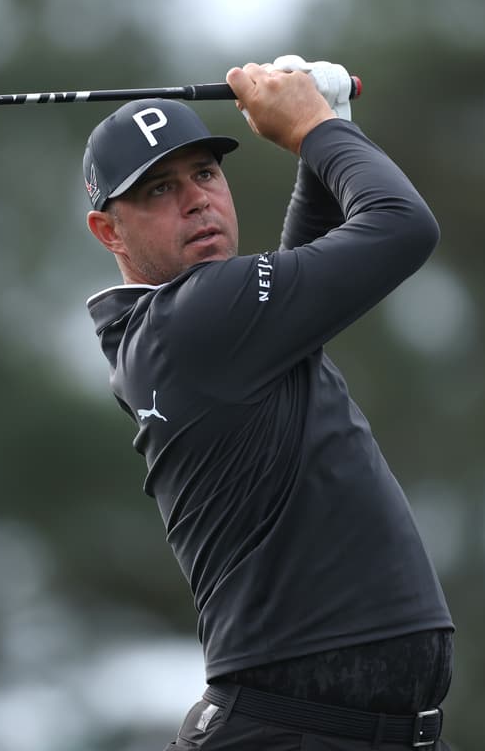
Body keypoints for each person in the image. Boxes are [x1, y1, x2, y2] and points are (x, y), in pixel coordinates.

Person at [82, 57, 455, 750]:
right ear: (110, 232)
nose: (196, 200)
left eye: (205, 174)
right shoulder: (192, 318)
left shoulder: (193, 328)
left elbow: (312, 263)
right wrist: (312, 126)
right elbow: (402, 226)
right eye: (159, 189)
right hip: (287, 731)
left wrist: (329, 129)